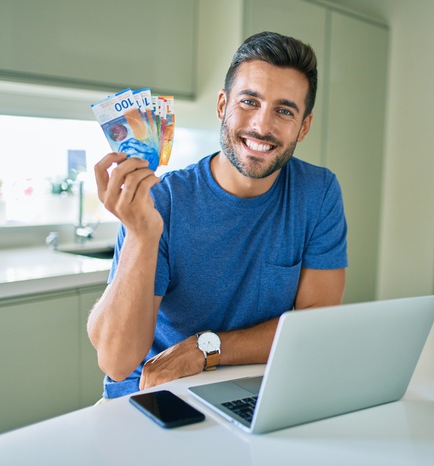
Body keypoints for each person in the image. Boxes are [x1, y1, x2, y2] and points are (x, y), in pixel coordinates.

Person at [88, 31, 348, 399]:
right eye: (249, 101)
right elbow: (117, 363)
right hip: (157, 391)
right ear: (222, 104)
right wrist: (141, 236)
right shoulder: (162, 199)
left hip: (254, 387)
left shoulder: (318, 193)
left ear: (303, 126)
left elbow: (316, 327)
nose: (262, 125)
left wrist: (206, 349)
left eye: (284, 110)